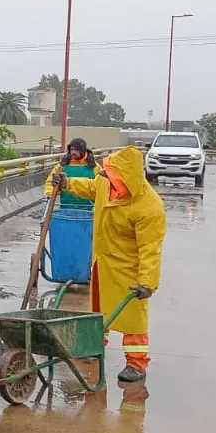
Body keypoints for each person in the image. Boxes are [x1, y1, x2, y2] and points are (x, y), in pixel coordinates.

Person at [50, 146, 166, 382]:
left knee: (133, 319)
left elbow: (150, 249)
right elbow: (92, 187)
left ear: (127, 178)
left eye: (113, 177)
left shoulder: (149, 207)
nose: (108, 180)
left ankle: (136, 364)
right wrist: (67, 183)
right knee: (97, 311)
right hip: (102, 263)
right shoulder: (105, 184)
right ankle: (93, 348)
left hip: (129, 270)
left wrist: (147, 282)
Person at [44, 137, 96, 208]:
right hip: (66, 207)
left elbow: (101, 185)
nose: (73, 152)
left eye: (77, 150)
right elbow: (51, 181)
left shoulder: (94, 166)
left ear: (83, 150)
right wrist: (49, 193)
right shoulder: (62, 166)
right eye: (72, 149)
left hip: (89, 210)